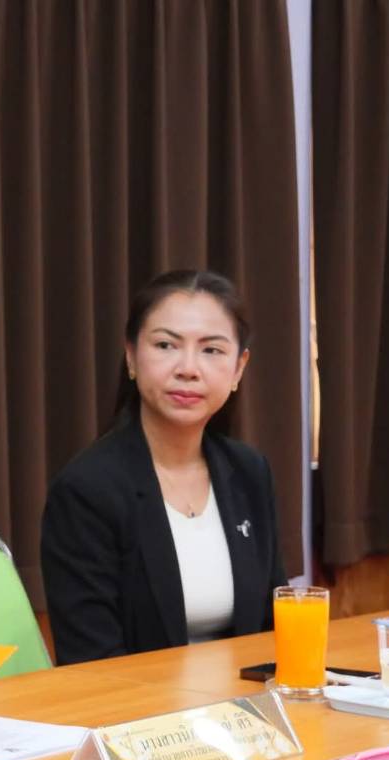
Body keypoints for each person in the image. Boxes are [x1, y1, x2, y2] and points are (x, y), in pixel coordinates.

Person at [40, 269, 286, 664]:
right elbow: (91, 661)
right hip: (136, 701)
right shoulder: (87, 490)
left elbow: (275, 627)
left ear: (239, 369)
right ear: (131, 356)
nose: (188, 368)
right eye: (166, 345)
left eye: (211, 350)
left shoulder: (249, 471)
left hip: (245, 697)